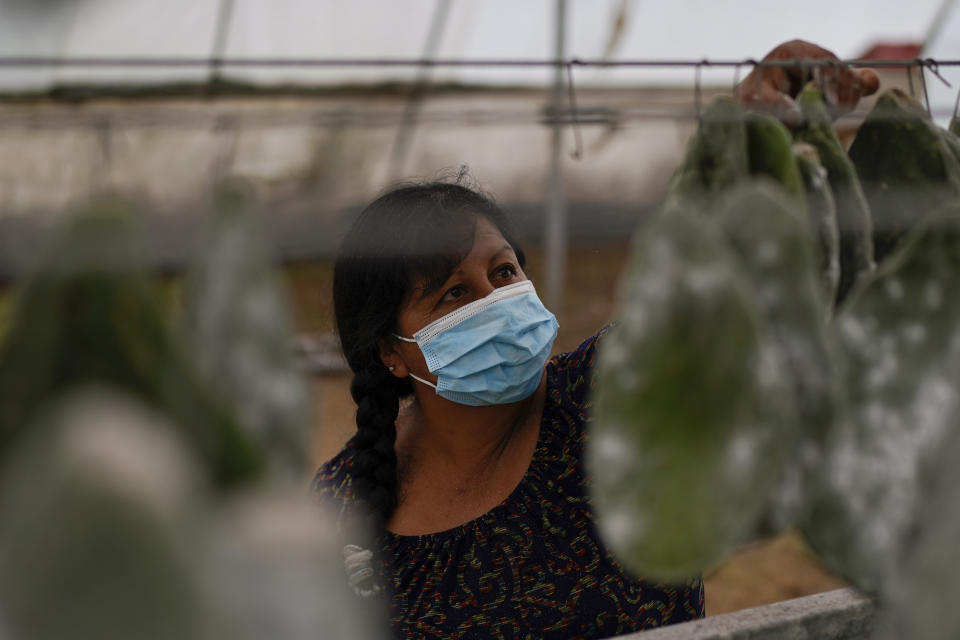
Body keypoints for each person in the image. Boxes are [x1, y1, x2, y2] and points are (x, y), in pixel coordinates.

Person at [313, 40, 878, 639]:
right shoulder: (336, 508)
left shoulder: (606, 394)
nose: (496, 300)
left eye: (504, 273)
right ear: (391, 352)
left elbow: (716, 290)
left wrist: (751, 140)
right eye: (453, 293)